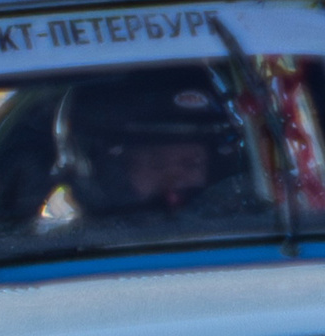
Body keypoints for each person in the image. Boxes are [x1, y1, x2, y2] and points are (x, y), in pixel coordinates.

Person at [57, 69, 253, 225]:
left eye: (191, 164)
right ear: (109, 172)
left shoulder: (253, 231)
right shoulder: (68, 250)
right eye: (156, 164)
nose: (174, 181)